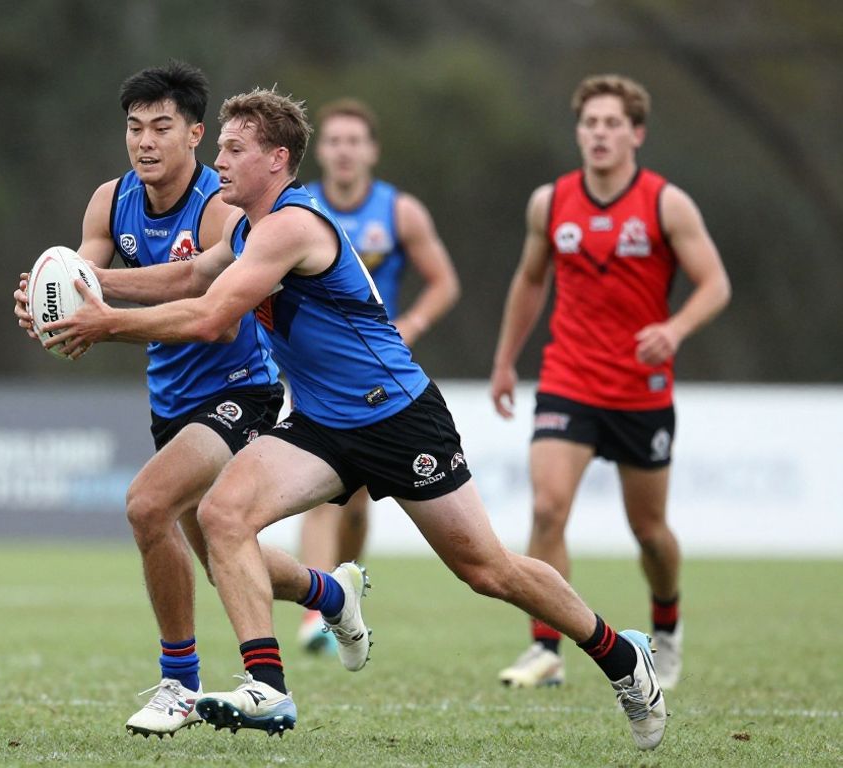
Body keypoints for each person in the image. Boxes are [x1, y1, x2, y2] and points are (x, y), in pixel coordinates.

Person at [43, 87, 668, 751]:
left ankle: (621, 656)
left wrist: (103, 323)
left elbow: (209, 317)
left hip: (397, 416)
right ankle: (268, 686)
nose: (217, 162)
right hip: (321, 427)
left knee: (487, 571)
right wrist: (85, 280)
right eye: (219, 147)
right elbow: (192, 278)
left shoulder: (292, 227)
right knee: (222, 514)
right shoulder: (252, 229)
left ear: (276, 159)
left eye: (233, 149)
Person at [13, 62, 373, 739]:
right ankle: (331, 592)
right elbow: (86, 280)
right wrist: (48, 302)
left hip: (242, 390)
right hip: (171, 400)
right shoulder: (109, 201)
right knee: (218, 557)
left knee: (147, 504)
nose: (145, 142)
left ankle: (180, 682)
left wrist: (98, 311)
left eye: (162, 128)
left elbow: (217, 312)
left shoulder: (222, 207)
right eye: (134, 128)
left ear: (195, 135)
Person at [490, 74, 731, 691]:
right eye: (590, 123)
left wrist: (674, 331)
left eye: (612, 123)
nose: (599, 134)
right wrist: (505, 359)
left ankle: (667, 625)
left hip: (639, 391)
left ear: (636, 133)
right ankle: (545, 648)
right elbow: (529, 281)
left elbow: (715, 285)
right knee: (547, 506)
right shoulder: (551, 201)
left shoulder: (665, 203)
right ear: (579, 131)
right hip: (568, 378)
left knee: (649, 533)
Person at [297, 98, 460, 654]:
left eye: (354, 141)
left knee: (357, 501)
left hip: (376, 376)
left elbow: (444, 282)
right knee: (319, 495)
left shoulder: (399, 212)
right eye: (334, 140)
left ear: (371, 151)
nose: (344, 151)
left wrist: (413, 321)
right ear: (320, 151)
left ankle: (347, 583)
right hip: (316, 370)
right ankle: (318, 614)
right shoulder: (302, 208)